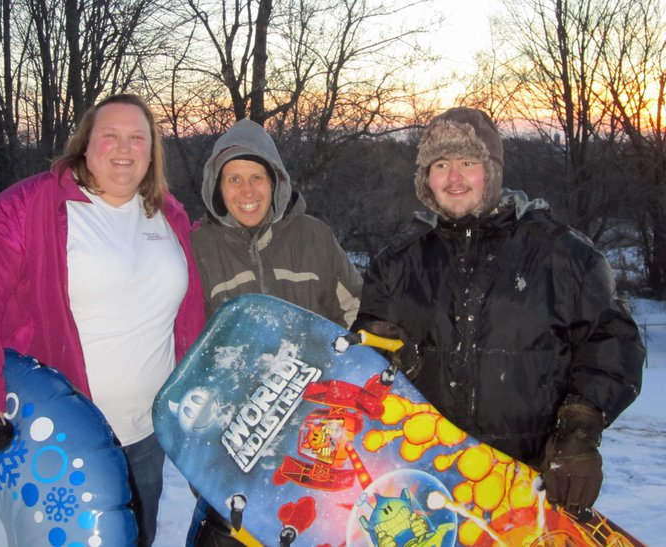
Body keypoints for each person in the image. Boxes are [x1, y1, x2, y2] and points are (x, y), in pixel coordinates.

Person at [353, 106, 645, 517]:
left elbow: (612, 342)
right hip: (425, 492)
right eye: (440, 165)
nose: (454, 179)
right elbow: (364, 362)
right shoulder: (396, 264)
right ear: (425, 178)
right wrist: (380, 357)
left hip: (529, 490)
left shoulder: (562, 254)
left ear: (491, 170)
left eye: (468, 163)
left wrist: (578, 432)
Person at [0, 93, 205, 547]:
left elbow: (186, 317)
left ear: (151, 152)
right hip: (60, 428)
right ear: (85, 145)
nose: (123, 148)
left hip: (147, 433)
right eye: (110, 136)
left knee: (137, 537)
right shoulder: (32, 205)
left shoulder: (168, 216)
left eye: (137, 138)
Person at [187, 118, 363, 545]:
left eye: (257, 177)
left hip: (314, 426)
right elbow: (186, 346)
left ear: (276, 182)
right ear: (217, 186)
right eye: (234, 179)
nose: (247, 192)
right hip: (235, 436)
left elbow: (357, 314)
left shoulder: (314, 236)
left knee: (311, 529)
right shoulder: (197, 248)